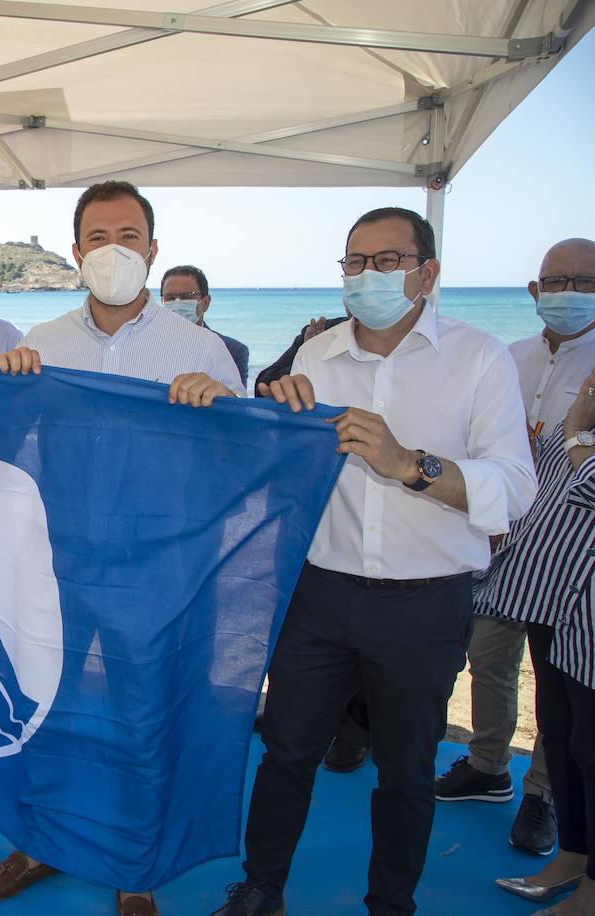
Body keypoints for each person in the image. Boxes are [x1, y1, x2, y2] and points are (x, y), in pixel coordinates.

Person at [214, 207, 537, 916]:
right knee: (287, 753)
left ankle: (391, 903)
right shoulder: (315, 355)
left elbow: (514, 488)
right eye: (355, 262)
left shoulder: (480, 357)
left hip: (425, 602)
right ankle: (261, 887)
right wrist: (269, 424)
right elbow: (273, 476)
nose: (368, 276)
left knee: (406, 771)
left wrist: (408, 464)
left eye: (387, 261)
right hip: (319, 592)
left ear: (428, 273)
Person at [0, 181, 240, 916]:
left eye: (127, 235)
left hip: (157, 573)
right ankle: (40, 842)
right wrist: (3, 388)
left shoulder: (201, 349)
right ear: (75, 250)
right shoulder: (42, 344)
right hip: (61, 565)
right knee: (46, 707)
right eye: (96, 236)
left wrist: (217, 414)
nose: (112, 249)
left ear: (152, 249)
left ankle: (135, 866)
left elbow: (239, 464)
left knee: (144, 715)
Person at [436, 239, 595, 856]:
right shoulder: (507, 357)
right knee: (490, 658)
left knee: (560, 680)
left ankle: (544, 796)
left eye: (584, 281)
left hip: (573, 552)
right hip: (503, 542)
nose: (568, 294)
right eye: (555, 281)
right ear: (533, 292)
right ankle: (487, 763)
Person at [487, 366, 595, 914]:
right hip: (552, 601)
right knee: (561, 734)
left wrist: (578, 429)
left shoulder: (581, 419)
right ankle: (571, 858)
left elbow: (589, 485)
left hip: (589, 614)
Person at [256, 313, 368, 774]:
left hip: (395, 569)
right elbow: (266, 385)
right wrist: (303, 341)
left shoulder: (466, 358)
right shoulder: (315, 352)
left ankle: (355, 735)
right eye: (356, 264)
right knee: (290, 739)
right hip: (312, 551)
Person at [159, 265, 249, 388]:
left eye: (187, 296)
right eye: (170, 298)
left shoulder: (233, 350)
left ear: (205, 303)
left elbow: (238, 402)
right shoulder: (148, 342)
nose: (177, 303)